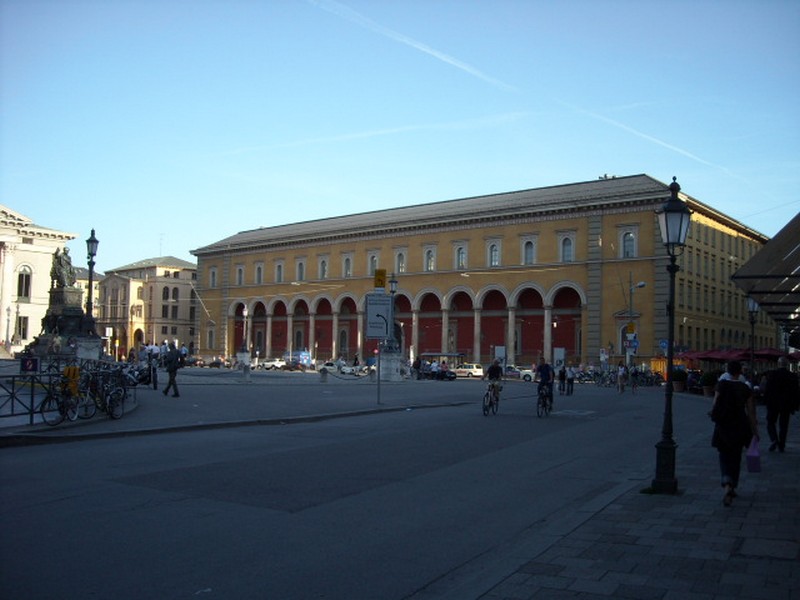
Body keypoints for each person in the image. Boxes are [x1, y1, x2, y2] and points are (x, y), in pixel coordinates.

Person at [710, 360, 758, 506]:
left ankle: (726, 481)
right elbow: (751, 412)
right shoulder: (745, 389)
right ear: (740, 372)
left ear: (728, 371)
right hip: (740, 425)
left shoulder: (721, 385)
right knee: (736, 456)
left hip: (724, 424)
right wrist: (754, 431)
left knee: (724, 455)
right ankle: (733, 484)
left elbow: (715, 404)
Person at [763, 357, 800, 453]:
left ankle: (774, 439)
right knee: (784, 426)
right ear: (787, 365)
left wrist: (766, 401)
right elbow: (796, 392)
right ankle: (781, 445)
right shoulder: (792, 376)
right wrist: (795, 406)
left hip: (773, 404)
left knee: (770, 422)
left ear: (778, 364)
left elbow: (768, 389)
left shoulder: (772, 375)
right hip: (786, 405)